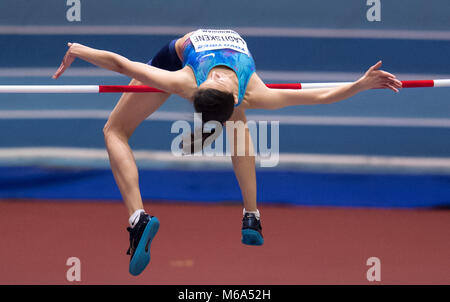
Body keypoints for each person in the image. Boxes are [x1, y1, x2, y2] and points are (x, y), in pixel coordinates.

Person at [53, 28, 402, 276]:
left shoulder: (188, 81)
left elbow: (122, 64)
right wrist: (360, 84)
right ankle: (251, 214)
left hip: (176, 59)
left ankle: (137, 218)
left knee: (114, 130)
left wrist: (78, 49)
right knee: (239, 125)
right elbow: (318, 97)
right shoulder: (251, 92)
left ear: (199, 89)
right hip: (186, 65)